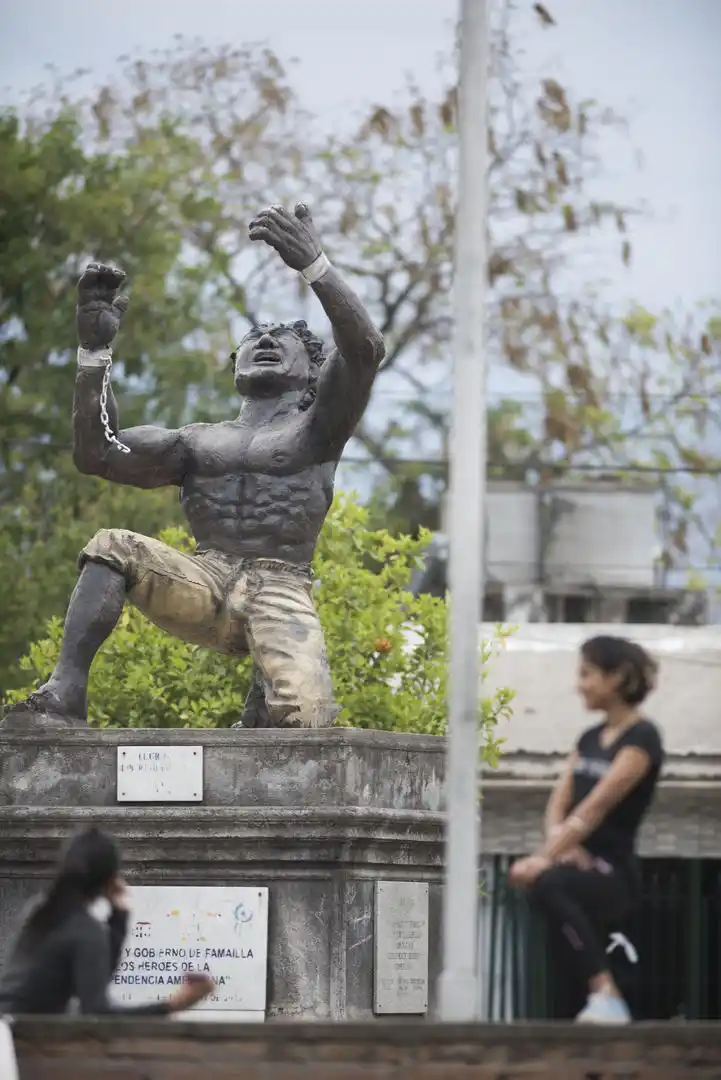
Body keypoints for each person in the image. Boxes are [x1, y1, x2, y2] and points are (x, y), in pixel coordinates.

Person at [2, 202, 385, 733]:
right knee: (112, 545)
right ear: (236, 368)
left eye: (285, 340)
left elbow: (365, 348)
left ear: (314, 369)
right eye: (254, 340)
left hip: (280, 586)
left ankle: (263, 706)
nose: (267, 342)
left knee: (309, 728)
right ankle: (64, 694)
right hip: (204, 579)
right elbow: (98, 453)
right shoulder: (195, 442)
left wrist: (313, 264)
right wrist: (94, 354)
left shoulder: (319, 428)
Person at [509, 635, 664, 1025]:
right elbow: (558, 806)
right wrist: (560, 849)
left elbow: (594, 809)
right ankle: (588, 998)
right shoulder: (588, 739)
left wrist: (544, 859)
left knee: (549, 883)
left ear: (617, 678)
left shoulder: (642, 739)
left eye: (587, 674)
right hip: (575, 863)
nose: (579, 684)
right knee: (551, 885)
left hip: (613, 874)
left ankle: (606, 992)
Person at [0, 827, 213, 1016]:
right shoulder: (85, 931)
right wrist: (171, 1005)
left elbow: (93, 979)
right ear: (111, 878)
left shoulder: (41, 911)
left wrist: (118, 918)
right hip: (17, 1042)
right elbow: (97, 1012)